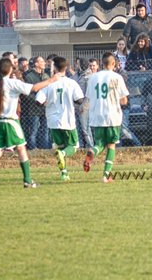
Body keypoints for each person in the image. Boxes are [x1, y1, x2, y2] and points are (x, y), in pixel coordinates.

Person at [0, 57, 59, 190]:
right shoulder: (13, 83)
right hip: (10, 122)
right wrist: (51, 80)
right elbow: (34, 88)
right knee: (21, 149)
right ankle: (27, 181)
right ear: (10, 70)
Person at [36, 56, 85, 182]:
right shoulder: (71, 83)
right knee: (73, 147)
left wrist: (47, 103)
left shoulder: (49, 83)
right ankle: (63, 155)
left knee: (59, 147)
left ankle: (64, 173)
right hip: (67, 120)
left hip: (52, 121)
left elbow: (38, 101)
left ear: (54, 68)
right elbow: (80, 100)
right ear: (66, 68)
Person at [83, 53, 129, 183]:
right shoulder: (117, 77)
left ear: (102, 63)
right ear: (113, 63)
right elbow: (124, 100)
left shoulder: (93, 78)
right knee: (111, 145)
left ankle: (93, 151)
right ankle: (106, 175)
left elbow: (89, 97)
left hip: (97, 115)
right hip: (112, 116)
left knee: (100, 144)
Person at [20, 56, 50, 150]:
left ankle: (45, 149)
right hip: (33, 108)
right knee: (33, 131)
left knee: (45, 130)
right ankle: (32, 149)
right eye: (42, 61)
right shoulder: (28, 76)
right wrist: (39, 100)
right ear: (36, 64)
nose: (44, 63)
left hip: (45, 108)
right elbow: (27, 93)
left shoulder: (45, 76)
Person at [77, 58, 97, 149]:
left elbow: (89, 94)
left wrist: (84, 106)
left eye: (78, 64)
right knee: (82, 128)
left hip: (85, 106)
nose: (76, 65)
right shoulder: (82, 75)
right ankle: (83, 146)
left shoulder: (88, 76)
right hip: (80, 105)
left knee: (86, 128)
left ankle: (91, 146)